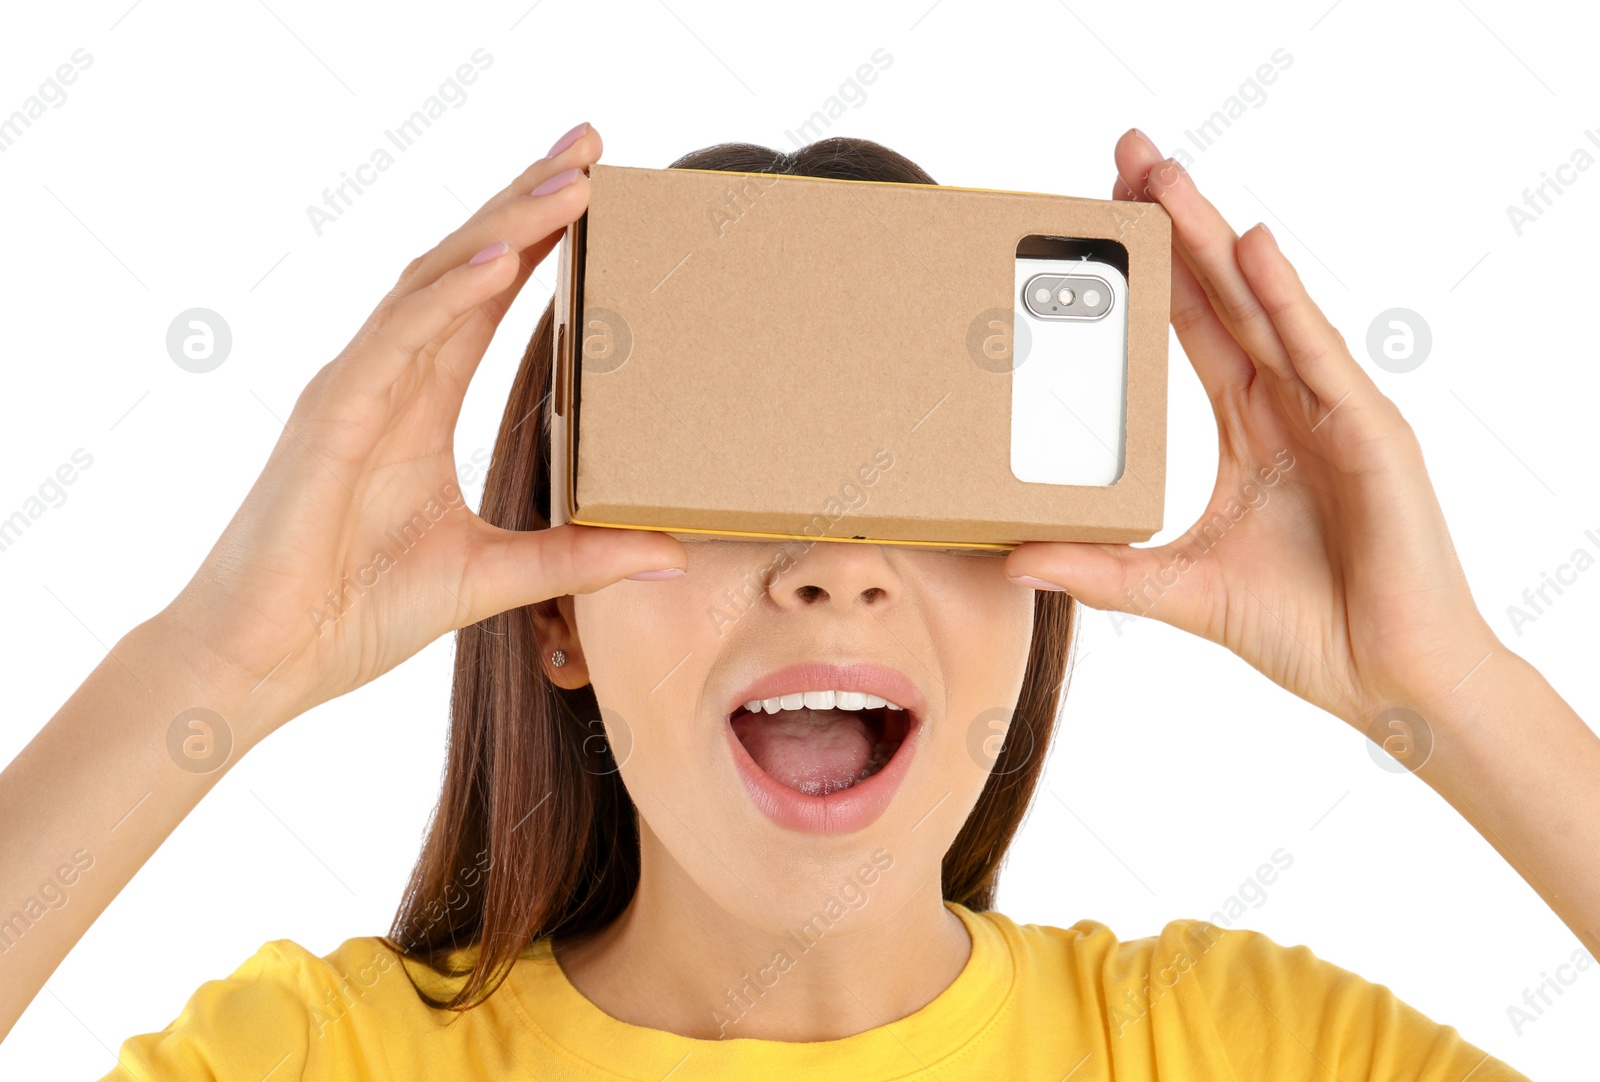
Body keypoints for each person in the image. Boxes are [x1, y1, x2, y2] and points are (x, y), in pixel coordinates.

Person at [2, 121, 1586, 1080]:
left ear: (1043, 593)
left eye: (926, 485)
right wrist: (214, 658)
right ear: (552, 611)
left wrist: (1450, 684)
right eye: (728, 473)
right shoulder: (326, 1059)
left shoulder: (1229, 1045)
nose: (834, 560)